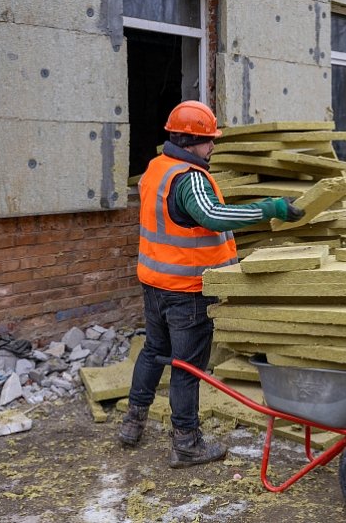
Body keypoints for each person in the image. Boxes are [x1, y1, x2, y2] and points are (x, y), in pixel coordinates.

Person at [119, 100, 305, 468]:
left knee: (153, 350)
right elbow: (212, 216)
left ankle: (132, 423)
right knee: (187, 367)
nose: (214, 146)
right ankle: (186, 443)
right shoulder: (188, 178)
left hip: (154, 283)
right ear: (189, 140)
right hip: (186, 291)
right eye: (208, 140)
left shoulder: (157, 169)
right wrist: (271, 209)